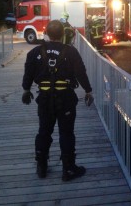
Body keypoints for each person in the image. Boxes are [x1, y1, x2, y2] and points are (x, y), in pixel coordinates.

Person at [22, 20, 94, 181]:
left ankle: (41, 166)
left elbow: (28, 74)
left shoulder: (34, 53)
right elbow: (81, 73)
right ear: (63, 34)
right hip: (66, 98)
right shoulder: (71, 52)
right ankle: (68, 169)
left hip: (45, 99)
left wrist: (26, 90)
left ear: (46, 33)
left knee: (44, 131)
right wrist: (88, 91)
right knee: (66, 133)